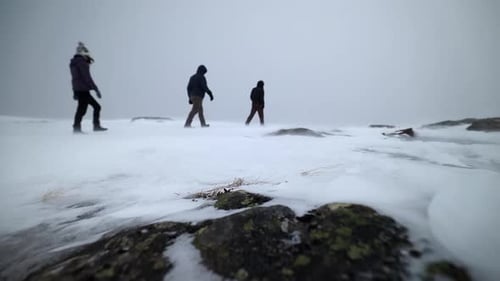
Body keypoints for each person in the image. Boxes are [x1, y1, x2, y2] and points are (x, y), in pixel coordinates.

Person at [70, 42, 107, 133]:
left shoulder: (74, 63)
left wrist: (74, 91)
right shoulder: (82, 63)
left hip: (80, 90)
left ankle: (94, 126)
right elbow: (87, 78)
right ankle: (77, 128)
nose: (88, 58)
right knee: (82, 109)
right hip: (83, 90)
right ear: (83, 53)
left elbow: (74, 79)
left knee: (95, 107)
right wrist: (96, 89)